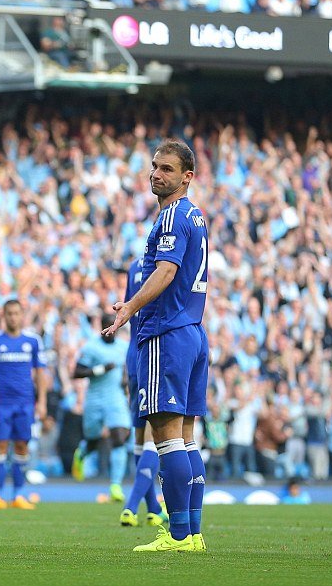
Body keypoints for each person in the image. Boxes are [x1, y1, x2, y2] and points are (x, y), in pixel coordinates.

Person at [104, 139, 209, 553]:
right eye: (153, 166)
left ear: (187, 177)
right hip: (194, 332)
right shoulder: (195, 216)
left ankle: (179, 534)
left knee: (164, 437)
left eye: (166, 168)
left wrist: (129, 306)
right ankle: (194, 535)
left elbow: (166, 270)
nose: (155, 174)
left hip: (166, 333)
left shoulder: (171, 217)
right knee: (186, 437)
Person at [0, 299, 48, 510]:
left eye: (17, 313)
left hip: (25, 403)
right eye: (9, 313)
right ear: (4, 315)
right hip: (0, 402)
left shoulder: (33, 341)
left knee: (22, 446)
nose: (13, 317)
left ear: (22, 315)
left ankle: (19, 494)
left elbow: (40, 373)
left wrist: (42, 401)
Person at [119, 256, 167, 527]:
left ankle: (152, 508)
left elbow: (128, 309)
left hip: (133, 354)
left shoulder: (135, 266)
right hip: (155, 351)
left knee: (140, 432)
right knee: (155, 434)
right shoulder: (167, 265)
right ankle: (130, 506)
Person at [70, 314, 131, 504]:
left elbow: (125, 370)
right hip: (95, 399)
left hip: (115, 398)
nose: (109, 329)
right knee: (94, 441)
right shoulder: (91, 347)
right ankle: (83, 452)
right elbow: (77, 372)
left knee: (119, 437)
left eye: (113, 326)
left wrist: (125, 382)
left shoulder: (123, 347)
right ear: (101, 327)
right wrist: (100, 370)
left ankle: (115, 485)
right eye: (106, 326)